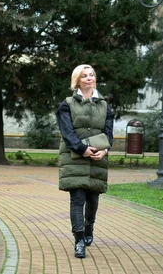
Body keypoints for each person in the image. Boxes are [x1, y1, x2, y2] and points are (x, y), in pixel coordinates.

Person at [55, 64, 114, 259]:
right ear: (77, 80)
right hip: (74, 158)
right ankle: (79, 239)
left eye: (92, 75)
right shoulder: (67, 104)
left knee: (93, 200)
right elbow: (67, 133)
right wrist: (83, 149)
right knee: (77, 199)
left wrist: (104, 150)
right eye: (84, 75)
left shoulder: (105, 106)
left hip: (97, 158)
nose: (89, 78)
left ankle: (89, 227)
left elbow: (108, 134)